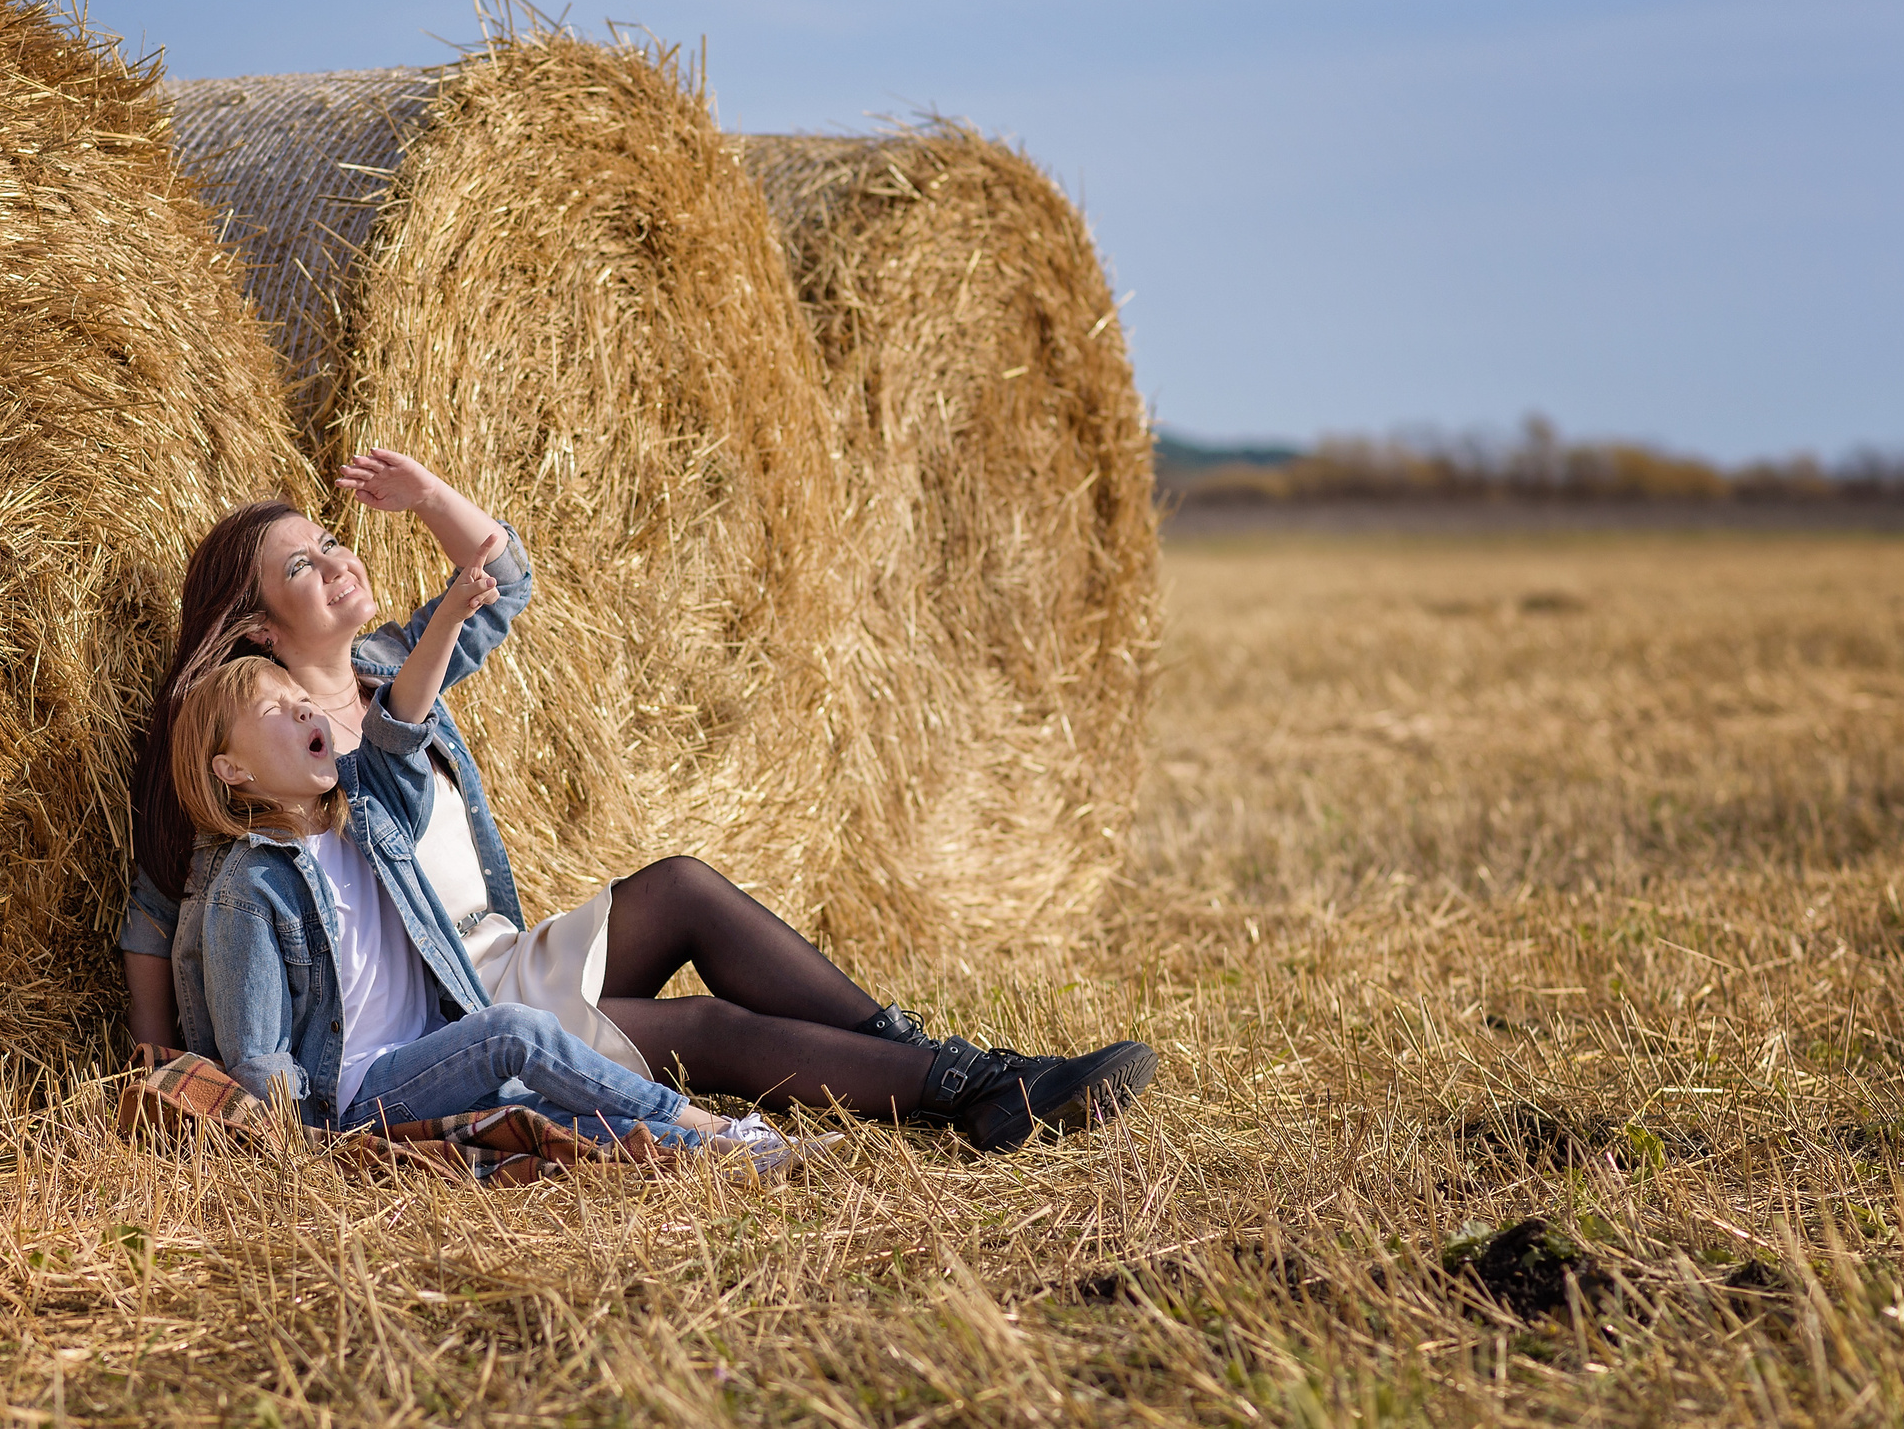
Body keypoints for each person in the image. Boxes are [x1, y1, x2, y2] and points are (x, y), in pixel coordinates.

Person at [125, 451, 1154, 1152]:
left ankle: (951, 1063)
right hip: (454, 1003)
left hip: (501, 948)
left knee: (683, 886)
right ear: (254, 627)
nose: (338, 559)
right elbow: (163, 901)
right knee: (699, 1028)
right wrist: (162, 1052)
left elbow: (505, 581)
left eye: (331, 540)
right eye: (300, 565)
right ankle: (975, 1094)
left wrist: (430, 495)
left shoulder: (393, 665)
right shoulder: (253, 744)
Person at [165, 600, 817, 1174]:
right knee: (512, 1032)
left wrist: (450, 616)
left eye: (297, 695)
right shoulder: (250, 885)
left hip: (427, 1055)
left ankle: (731, 1154)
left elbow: (403, 726)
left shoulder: (364, 819)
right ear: (232, 769)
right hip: (355, 1094)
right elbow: (258, 1054)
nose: (303, 704)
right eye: (273, 708)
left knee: (562, 1121)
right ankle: (706, 1122)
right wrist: (304, 1153)